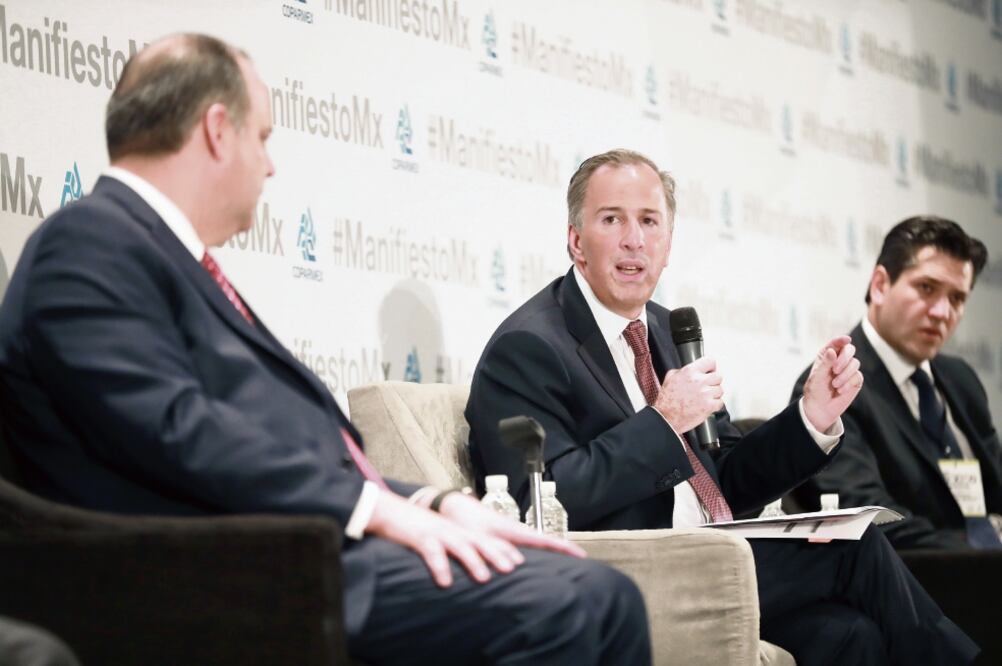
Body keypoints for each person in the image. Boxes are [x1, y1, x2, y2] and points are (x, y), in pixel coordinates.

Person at [0, 35, 651, 666]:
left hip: (298, 545)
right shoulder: (87, 243)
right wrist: (373, 511)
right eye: (263, 138)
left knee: (603, 596)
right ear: (216, 130)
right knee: (582, 601)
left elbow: (276, 442)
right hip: (226, 570)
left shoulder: (163, 257)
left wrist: (435, 503)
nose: (271, 164)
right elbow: (175, 431)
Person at [466, 149, 979, 665]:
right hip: (629, 571)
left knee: (851, 634)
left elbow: (728, 476)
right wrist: (663, 422)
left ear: (668, 245)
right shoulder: (530, 346)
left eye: (649, 221)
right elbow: (541, 502)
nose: (633, 239)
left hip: (712, 553)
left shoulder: (667, 331)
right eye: (611, 219)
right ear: (577, 241)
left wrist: (811, 418)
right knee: (855, 547)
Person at [791, 216, 1002, 550]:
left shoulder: (962, 381)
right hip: (917, 585)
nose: (942, 312)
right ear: (879, 285)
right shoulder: (833, 388)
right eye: (927, 288)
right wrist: (982, 547)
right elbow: (872, 521)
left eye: (958, 298)